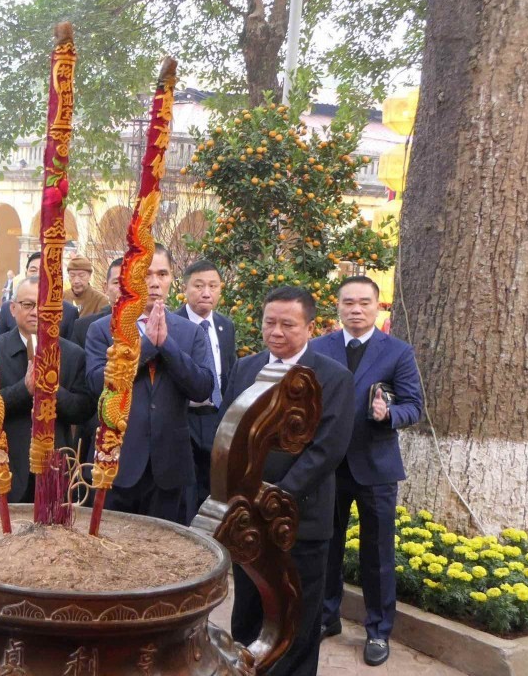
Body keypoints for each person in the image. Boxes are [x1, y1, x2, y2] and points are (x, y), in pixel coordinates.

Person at [222, 286, 354, 676]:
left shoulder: (332, 378)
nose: (276, 332)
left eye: (287, 324)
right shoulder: (245, 369)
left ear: (309, 327)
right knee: (248, 610)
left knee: (296, 616)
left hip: (300, 519)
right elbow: (227, 433)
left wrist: (276, 498)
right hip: (247, 520)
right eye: (269, 323)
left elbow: (326, 451)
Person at [314, 276, 423, 667]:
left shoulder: (397, 352)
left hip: (375, 467)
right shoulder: (318, 348)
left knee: (377, 553)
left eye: (363, 303)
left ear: (378, 307)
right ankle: (326, 618)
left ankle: (378, 631)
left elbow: (414, 405)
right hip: (328, 466)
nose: (355, 309)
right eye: (348, 303)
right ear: (338, 307)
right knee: (326, 546)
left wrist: (389, 414)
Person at [84, 244, 213, 524]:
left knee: (165, 557)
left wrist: (167, 345)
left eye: (162, 274)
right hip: (118, 463)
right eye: (146, 275)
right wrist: (147, 347)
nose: (154, 283)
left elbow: (203, 387)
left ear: (171, 278)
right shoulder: (104, 329)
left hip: (170, 466)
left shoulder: (190, 332)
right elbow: (97, 384)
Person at [0, 277, 95, 503]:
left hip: (56, 465)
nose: (36, 312)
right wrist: (24, 390)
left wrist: (51, 391)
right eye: (28, 305)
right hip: (7, 463)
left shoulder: (72, 354)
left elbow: (84, 409)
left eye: (43, 306)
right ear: (13, 309)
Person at [176, 260, 236, 522]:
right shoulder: (173, 324)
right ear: (184, 288)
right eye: (198, 286)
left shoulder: (225, 326)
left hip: (216, 417)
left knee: (213, 489)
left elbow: (229, 370)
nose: (206, 292)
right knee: (186, 493)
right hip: (183, 417)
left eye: (213, 286)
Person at [0, 253, 79, 337]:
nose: (38, 274)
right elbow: (0, 345)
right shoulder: (8, 308)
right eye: (33, 270)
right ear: (26, 273)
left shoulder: (69, 311)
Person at [70, 257, 122, 347]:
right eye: (116, 282)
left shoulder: (151, 324)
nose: (124, 288)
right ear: (105, 287)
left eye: (130, 282)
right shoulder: (84, 327)